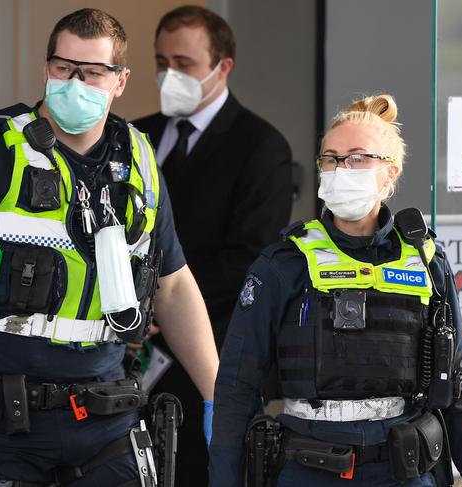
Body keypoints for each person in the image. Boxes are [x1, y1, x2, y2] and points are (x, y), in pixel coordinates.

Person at [0, 8, 218, 486]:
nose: (74, 82)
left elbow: (174, 287)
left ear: (120, 82)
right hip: (2, 423)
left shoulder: (139, 161)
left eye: (92, 72)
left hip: (106, 418)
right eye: (63, 68)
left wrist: (219, 396)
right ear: (46, 67)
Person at [208, 94, 462, 487]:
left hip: (403, 467)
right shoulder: (284, 264)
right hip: (309, 466)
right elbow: (237, 387)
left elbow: (454, 383)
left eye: (358, 158)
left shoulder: (426, 261)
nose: (341, 169)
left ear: (390, 173)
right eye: (331, 158)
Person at [133, 6, 292, 484]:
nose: (169, 75)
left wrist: (162, 305)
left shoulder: (261, 147)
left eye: (184, 64)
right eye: (162, 63)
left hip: (216, 351)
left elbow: (251, 257)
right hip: (132, 353)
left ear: (223, 67)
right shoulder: (137, 137)